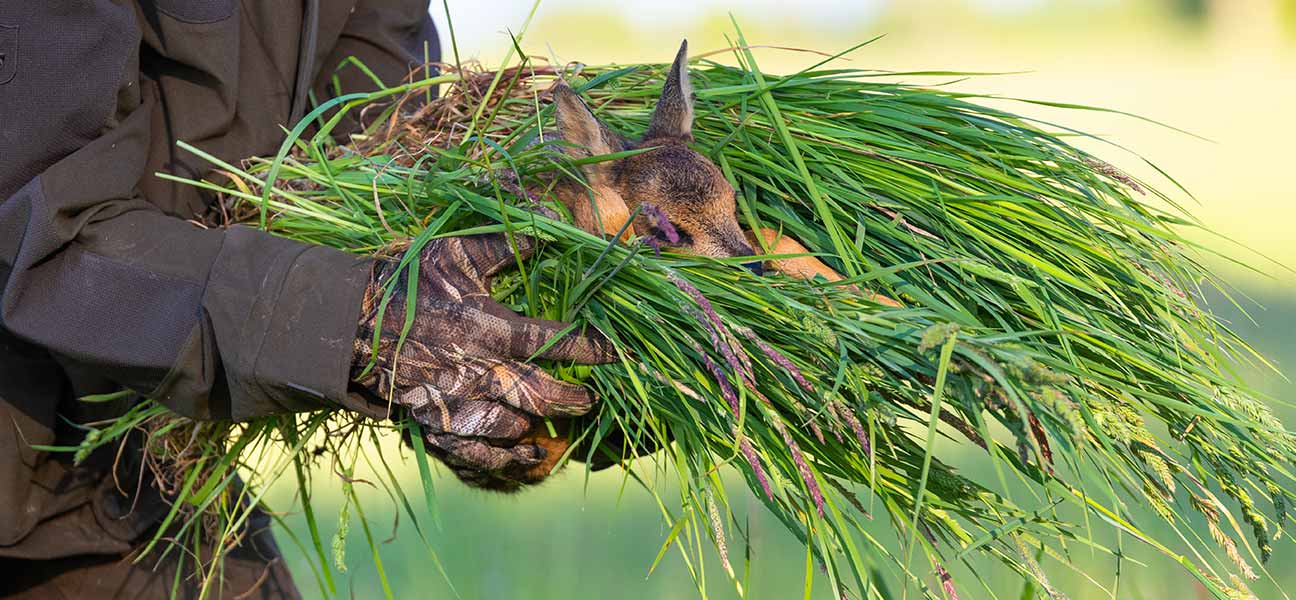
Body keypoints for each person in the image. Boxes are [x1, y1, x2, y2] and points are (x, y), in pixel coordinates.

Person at [0, 2, 612, 598]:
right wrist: (362, 323)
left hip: (124, 451)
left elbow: (370, 167)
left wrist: (506, 351)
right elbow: (38, 216)